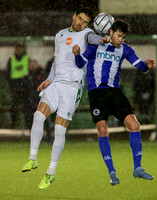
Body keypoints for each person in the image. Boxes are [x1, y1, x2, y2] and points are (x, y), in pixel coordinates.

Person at [21, 8, 111, 190]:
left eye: (85, 22)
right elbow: (56, 60)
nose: (81, 24)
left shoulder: (88, 34)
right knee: (38, 116)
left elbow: (93, 39)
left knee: (59, 131)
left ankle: (51, 172)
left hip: (72, 87)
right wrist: (49, 78)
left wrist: (102, 39)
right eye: (79, 19)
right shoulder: (60, 34)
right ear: (73, 17)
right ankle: (32, 159)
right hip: (56, 83)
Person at [72, 19, 155, 185]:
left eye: (123, 37)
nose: (120, 40)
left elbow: (139, 66)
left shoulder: (126, 49)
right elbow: (81, 63)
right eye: (118, 35)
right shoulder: (96, 46)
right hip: (97, 93)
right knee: (102, 130)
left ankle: (138, 168)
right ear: (110, 32)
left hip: (115, 92)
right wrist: (76, 54)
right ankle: (112, 172)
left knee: (134, 125)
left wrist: (147, 66)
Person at [6, 44, 30, 128]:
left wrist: (26, 84)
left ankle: (28, 126)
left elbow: (30, 72)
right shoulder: (11, 60)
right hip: (15, 86)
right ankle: (13, 126)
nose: (19, 51)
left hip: (25, 87)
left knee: (27, 107)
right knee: (14, 107)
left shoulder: (27, 59)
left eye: (21, 49)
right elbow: (8, 74)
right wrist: (12, 86)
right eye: (18, 49)